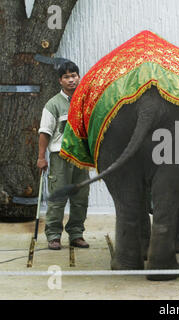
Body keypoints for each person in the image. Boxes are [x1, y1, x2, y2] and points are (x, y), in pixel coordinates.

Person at [37, 61, 90, 250]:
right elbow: (44, 132)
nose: (71, 80)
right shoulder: (53, 104)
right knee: (58, 198)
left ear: (78, 76)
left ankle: (76, 234)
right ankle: (53, 236)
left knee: (80, 198)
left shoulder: (85, 101)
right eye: (66, 77)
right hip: (60, 156)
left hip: (81, 157)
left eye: (74, 75)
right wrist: (41, 157)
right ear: (60, 80)